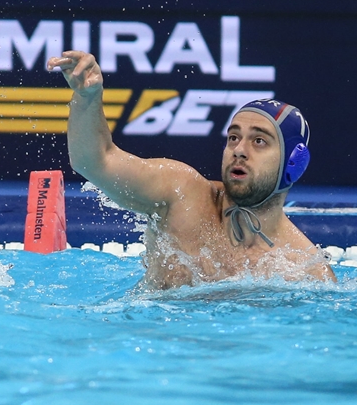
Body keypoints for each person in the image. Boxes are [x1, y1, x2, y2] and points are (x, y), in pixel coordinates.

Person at [48, 51, 334, 287]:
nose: (239, 149)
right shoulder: (181, 193)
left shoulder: (306, 271)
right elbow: (94, 161)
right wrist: (87, 97)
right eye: (234, 137)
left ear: (294, 162)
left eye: (259, 141)